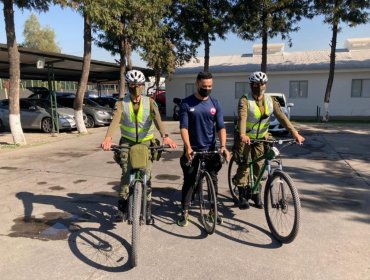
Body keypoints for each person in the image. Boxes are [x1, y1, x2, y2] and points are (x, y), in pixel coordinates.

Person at [101, 69, 177, 224]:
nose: (136, 88)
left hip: (146, 142)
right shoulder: (122, 103)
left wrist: (165, 136)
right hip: (127, 142)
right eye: (132, 85)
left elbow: (158, 120)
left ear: (143, 86)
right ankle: (122, 209)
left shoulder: (150, 102)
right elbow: (115, 120)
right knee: (125, 174)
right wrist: (108, 138)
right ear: (128, 86)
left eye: (139, 85)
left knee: (146, 176)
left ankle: (147, 212)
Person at [233, 71, 305, 209]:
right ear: (251, 85)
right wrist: (243, 134)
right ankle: (242, 194)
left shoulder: (270, 100)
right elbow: (242, 118)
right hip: (245, 138)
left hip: (261, 138)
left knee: (260, 165)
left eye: (262, 84)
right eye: (255, 84)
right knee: (245, 164)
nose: (259, 87)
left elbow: (282, 117)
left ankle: (256, 193)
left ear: (266, 85)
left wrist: (295, 133)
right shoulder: (245, 100)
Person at [177, 71, 230, 227]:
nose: (207, 88)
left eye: (210, 86)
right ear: (197, 84)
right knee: (190, 180)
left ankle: (213, 212)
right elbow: (184, 127)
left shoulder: (215, 104)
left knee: (213, 181)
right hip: (192, 150)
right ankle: (184, 212)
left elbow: (221, 127)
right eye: (204, 86)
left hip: (210, 149)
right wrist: (187, 147)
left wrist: (223, 146)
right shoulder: (186, 103)